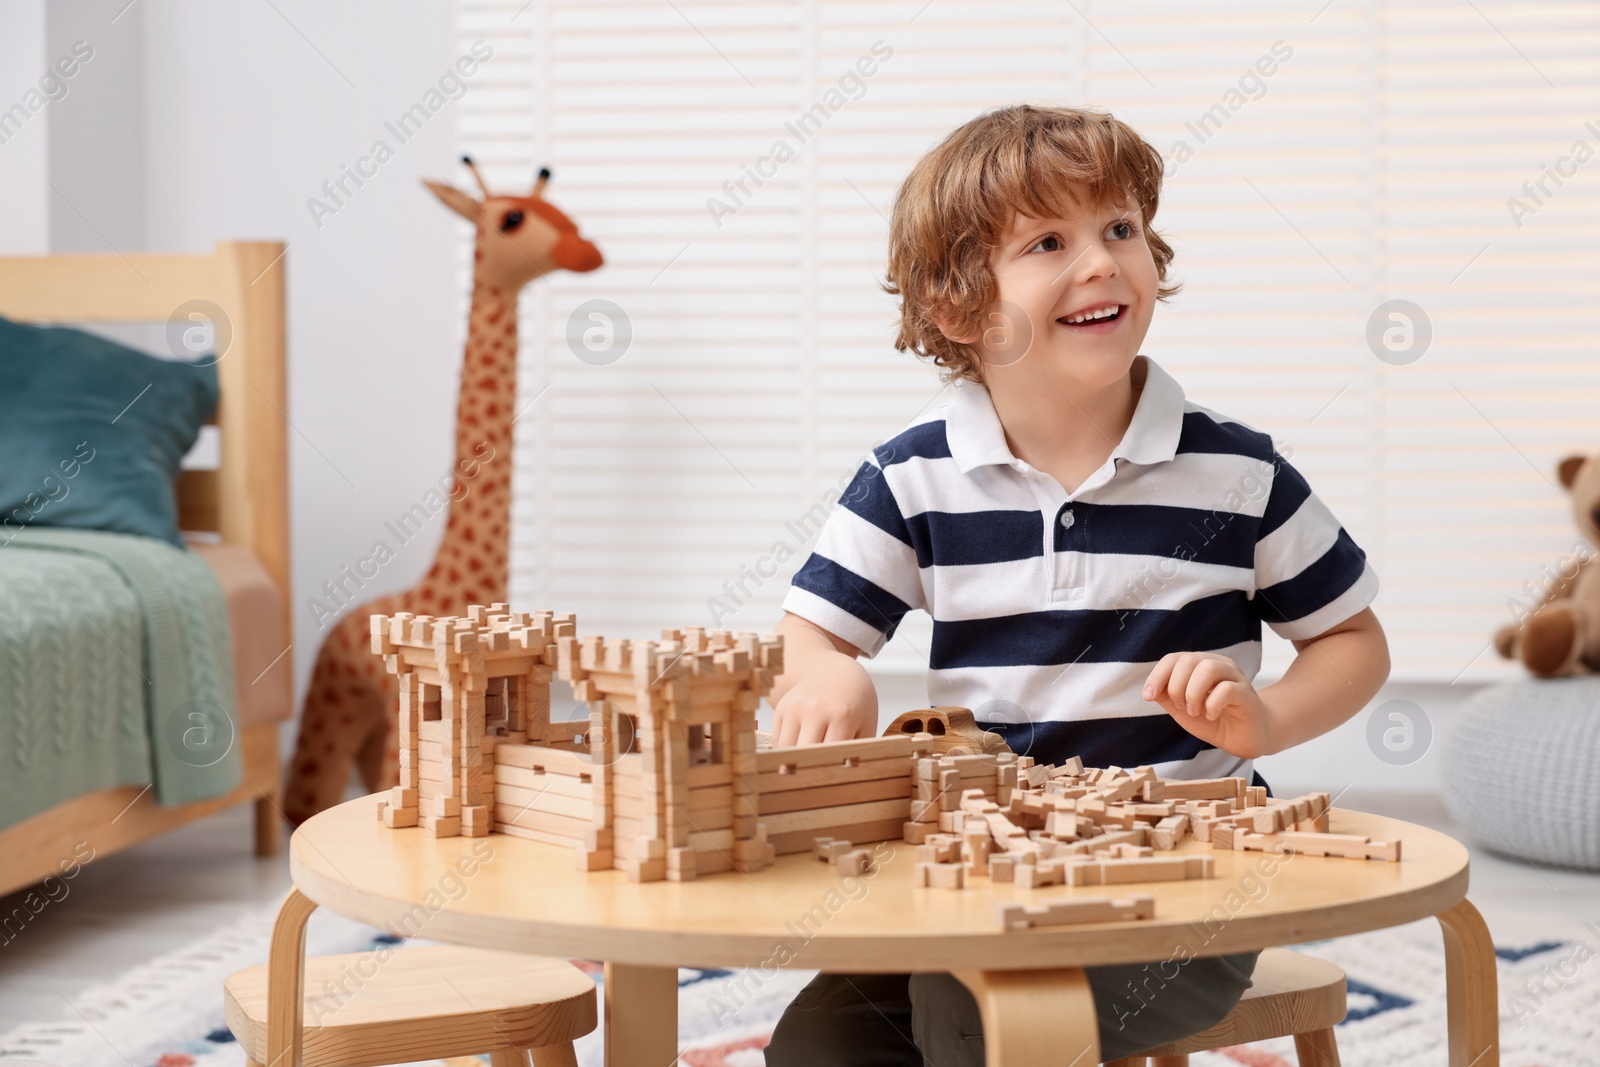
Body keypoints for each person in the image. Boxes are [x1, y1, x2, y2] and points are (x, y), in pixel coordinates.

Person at [762, 103, 1391, 1066]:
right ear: (958, 307)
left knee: (972, 1014)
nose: (1100, 261)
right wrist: (827, 674)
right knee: (819, 1043)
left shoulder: (1238, 474)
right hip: (975, 879)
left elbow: (1353, 639)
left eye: (1121, 229)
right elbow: (815, 633)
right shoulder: (910, 479)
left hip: (1180, 891)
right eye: (1048, 240)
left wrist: (1261, 721)